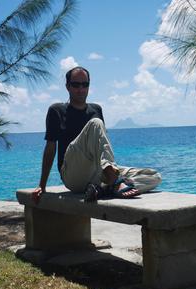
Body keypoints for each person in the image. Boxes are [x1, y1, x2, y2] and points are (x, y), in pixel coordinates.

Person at [33, 66, 161, 203]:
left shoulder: (96, 109)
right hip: (72, 174)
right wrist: (42, 185)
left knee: (154, 176)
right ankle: (113, 181)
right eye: (76, 85)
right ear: (67, 87)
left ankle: (103, 188)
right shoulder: (57, 110)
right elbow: (50, 148)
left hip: (96, 173)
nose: (80, 89)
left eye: (85, 84)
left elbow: (101, 146)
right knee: (95, 123)